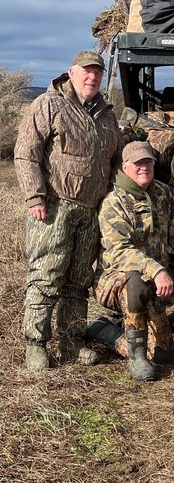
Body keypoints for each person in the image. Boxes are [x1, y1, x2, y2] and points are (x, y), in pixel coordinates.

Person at [14, 50, 122, 372]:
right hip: (55, 206)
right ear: (71, 73)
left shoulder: (106, 114)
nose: (92, 77)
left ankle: (71, 341)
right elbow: (26, 153)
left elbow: (115, 159)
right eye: (86, 71)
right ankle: (35, 343)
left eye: (97, 73)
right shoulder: (48, 105)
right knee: (47, 275)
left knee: (78, 281)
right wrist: (35, 197)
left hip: (90, 210)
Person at [87, 141, 174, 381]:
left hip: (153, 284)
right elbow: (121, 251)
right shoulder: (114, 203)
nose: (144, 167)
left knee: (163, 355)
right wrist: (156, 270)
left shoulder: (163, 192)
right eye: (138, 163)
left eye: (148, 162)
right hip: (115, 280)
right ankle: (136, 356)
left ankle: (105, 330)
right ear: (125, 167)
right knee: (135, 279)